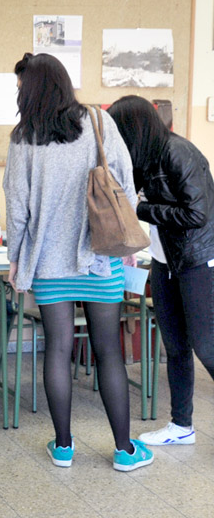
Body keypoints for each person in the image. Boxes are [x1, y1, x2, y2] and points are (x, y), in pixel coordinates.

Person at [4, 54, 154, 472]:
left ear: (33, 88)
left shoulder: (23, 139)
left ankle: (64, 447)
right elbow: (123, 180)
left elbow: (16, 209)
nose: (18, 95)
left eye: (21, 87)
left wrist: (17, 257)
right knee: (108, 351)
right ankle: (124, 450)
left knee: (57, 348)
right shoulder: (98, 122)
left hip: (49, 263)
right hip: (99, 259)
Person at [109, 94, 214, 446]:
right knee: (175, 347)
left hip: (199, 262)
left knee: (207, 347)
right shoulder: (145, 157)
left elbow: (197, 215)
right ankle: (181, 425)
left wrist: (143, 209)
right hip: (165, 262)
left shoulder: (177, 152)